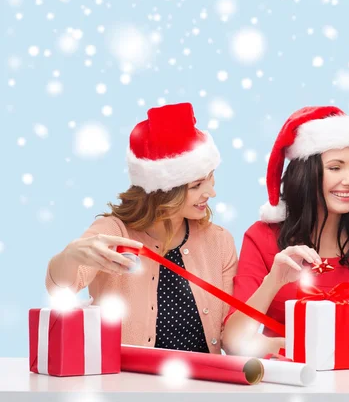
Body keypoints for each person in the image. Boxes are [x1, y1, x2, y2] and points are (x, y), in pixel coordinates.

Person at [45, 102, 237, 354]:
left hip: (201, 387)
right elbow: (60, 287)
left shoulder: (219, 242)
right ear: (164, 192)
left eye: (210, 178)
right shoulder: (113, 233)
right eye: (197, 185)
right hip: (126, 388)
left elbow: (228, 335)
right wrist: (69, 257)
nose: (211, 192)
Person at [222, 106, 349, 359]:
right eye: (335, 168)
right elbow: (233, 341)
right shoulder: (262, 238)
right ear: (305, 173)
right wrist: (274, 279)